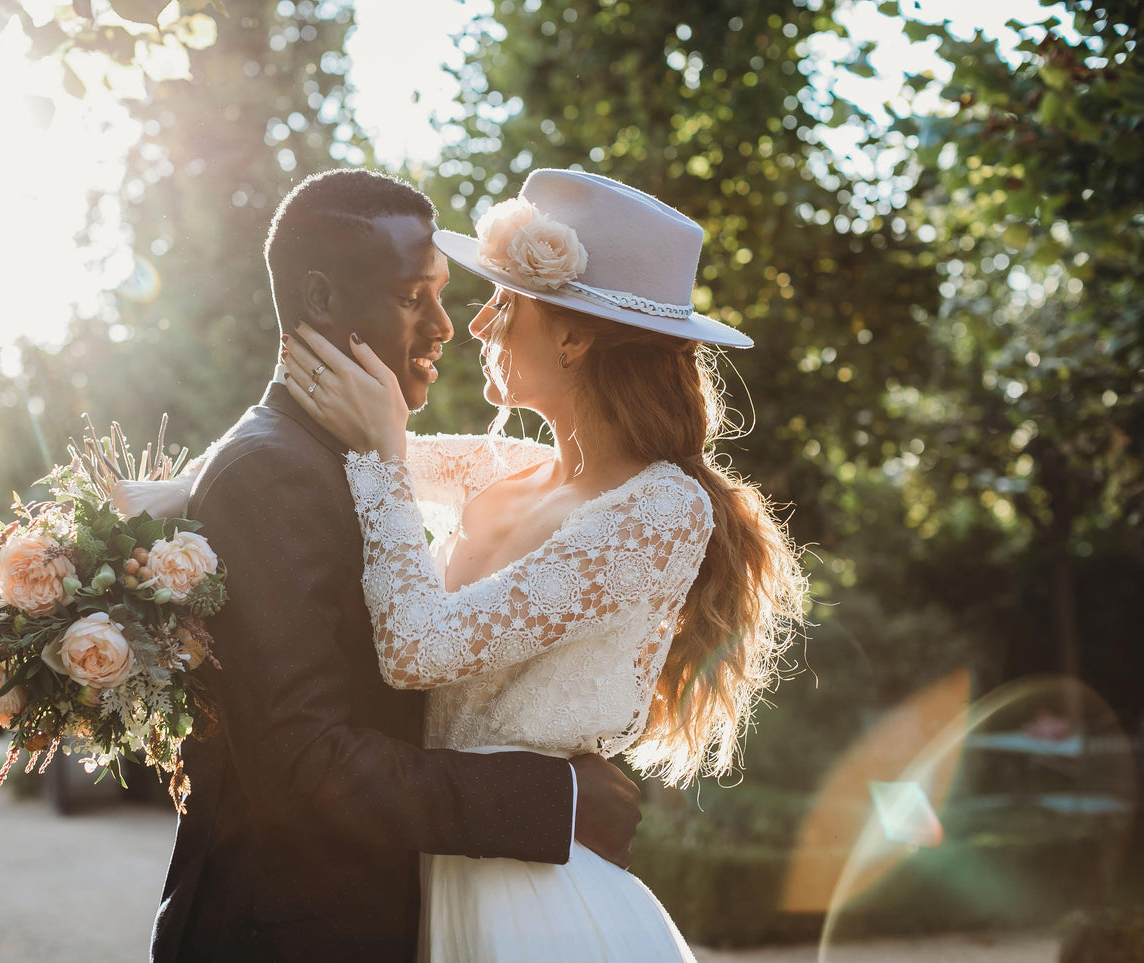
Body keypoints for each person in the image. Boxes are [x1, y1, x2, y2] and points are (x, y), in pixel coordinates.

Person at [278, 168, 808, 961]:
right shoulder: (505, 468)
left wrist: (380, 452)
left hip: (531, 899)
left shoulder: (661, 511)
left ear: (572, 338)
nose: (477, 323)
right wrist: (143, 516)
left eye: (504, 303)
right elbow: (317, 458)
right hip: (438, 859)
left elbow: (417, 648)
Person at [131, 168, 644, 963]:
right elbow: (303, 765)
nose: (444, 325)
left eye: (440, 295)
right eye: (413, 297)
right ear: (319, 298)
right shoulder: (273, 471)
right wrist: (556, 798)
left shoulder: (339, 457)